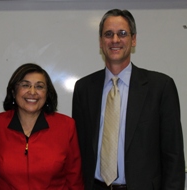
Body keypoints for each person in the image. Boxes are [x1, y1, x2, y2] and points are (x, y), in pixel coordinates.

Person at [72, 9, 185, 190]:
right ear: (101, 42)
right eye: (108, 34)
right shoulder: (84, 88)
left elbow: (174, 155)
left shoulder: (160, 87)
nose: (115, 40)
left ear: (133, 40)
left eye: (122, 34)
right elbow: (78, 151)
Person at [0, 63, 84, 189]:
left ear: (47, 94)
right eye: (25, 85)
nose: (32, 92)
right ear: (13, 91)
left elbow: (74, 179)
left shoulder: (66, 126)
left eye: (39, 87)